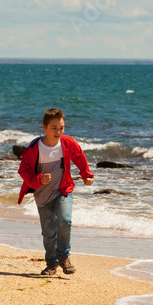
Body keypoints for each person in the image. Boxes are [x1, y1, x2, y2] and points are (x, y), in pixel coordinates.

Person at [17, 108, 93, 276]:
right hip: (42, 195)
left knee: (65, 221)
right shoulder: (34, 148)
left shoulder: (67, 143)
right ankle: (51, 264)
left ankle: (64, 258)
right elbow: (23, 171)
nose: (58, 131)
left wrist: (86, 175)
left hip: (63, 190)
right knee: (49, 232)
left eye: (61, 127)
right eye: (54, 128)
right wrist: (38, 179)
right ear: (44, 127)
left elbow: (79, 156)